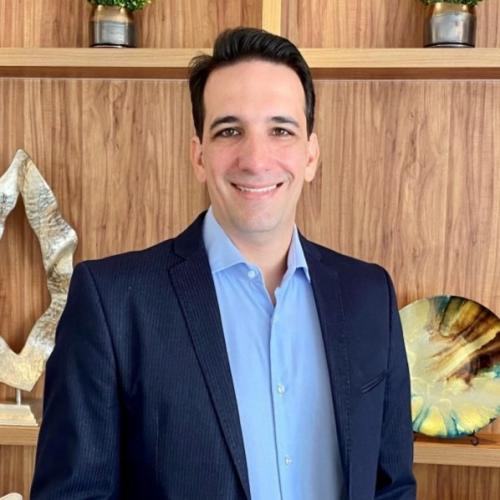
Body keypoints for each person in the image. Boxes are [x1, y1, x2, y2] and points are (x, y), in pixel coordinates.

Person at [31, 28, 416, 499]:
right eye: (230, 130)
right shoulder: (112, 303)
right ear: (199, 155)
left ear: (311, 155)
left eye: (281, 130)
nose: (255, 159)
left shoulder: (369, 295)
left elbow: (392, 486)